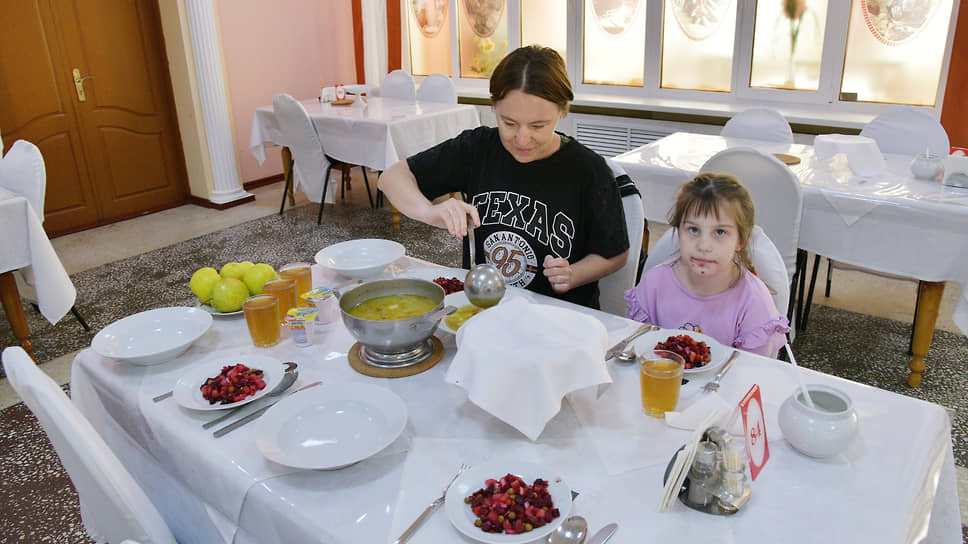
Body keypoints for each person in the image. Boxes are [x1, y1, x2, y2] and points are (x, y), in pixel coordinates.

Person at [377, 46, 629, 309]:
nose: (522, 139)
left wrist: (574, 274)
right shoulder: (478, 148)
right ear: (494, 106)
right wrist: (429, 211)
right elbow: (392, 177)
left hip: (557, 316)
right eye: (508, 123)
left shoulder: (588, 170)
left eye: (538, 126)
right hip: (486, 307)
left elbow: (616, 253)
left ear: (562, 111)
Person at [624, 173, 789, 357]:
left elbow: (751, 373)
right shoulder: (654, 284)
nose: (703, 246)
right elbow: (637, 349)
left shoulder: (754, 301)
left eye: (719, 232)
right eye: (693, 230)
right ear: (679, 232)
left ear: (740, 239)